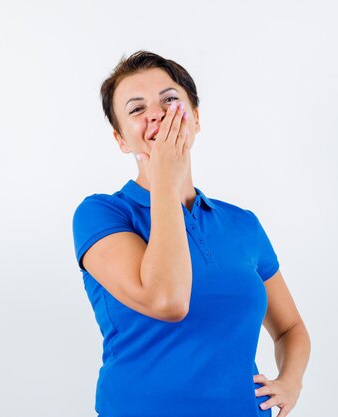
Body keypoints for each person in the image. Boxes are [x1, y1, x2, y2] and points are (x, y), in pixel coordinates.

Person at [72, 50, 311, 417]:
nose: (156, 112)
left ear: (195, 119)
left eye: (169, 99)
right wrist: (166, 179)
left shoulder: (241, 223)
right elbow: (168, 302)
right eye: (136, 109)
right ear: (121, 139)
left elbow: (290, 327)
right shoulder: (102, 214)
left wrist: (290, 382)